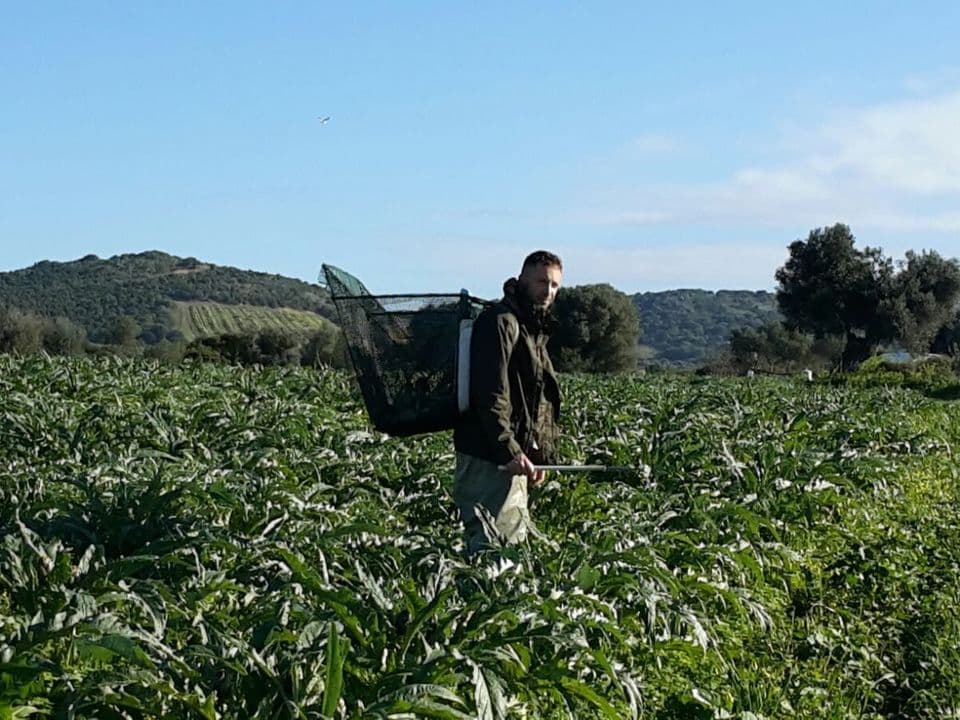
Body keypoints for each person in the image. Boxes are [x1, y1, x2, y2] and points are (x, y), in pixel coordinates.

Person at [452, 250, 564, 556]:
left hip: (508, 457)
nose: (548, 291)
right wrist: (509, 448)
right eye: (542, 281)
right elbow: (492, 395)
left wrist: (535, 450)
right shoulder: (500, 322)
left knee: (508, 551)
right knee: (493, 555)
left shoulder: (529, 327)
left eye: (554, 285)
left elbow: (530, 401)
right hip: (489, 457)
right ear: (523, 279)